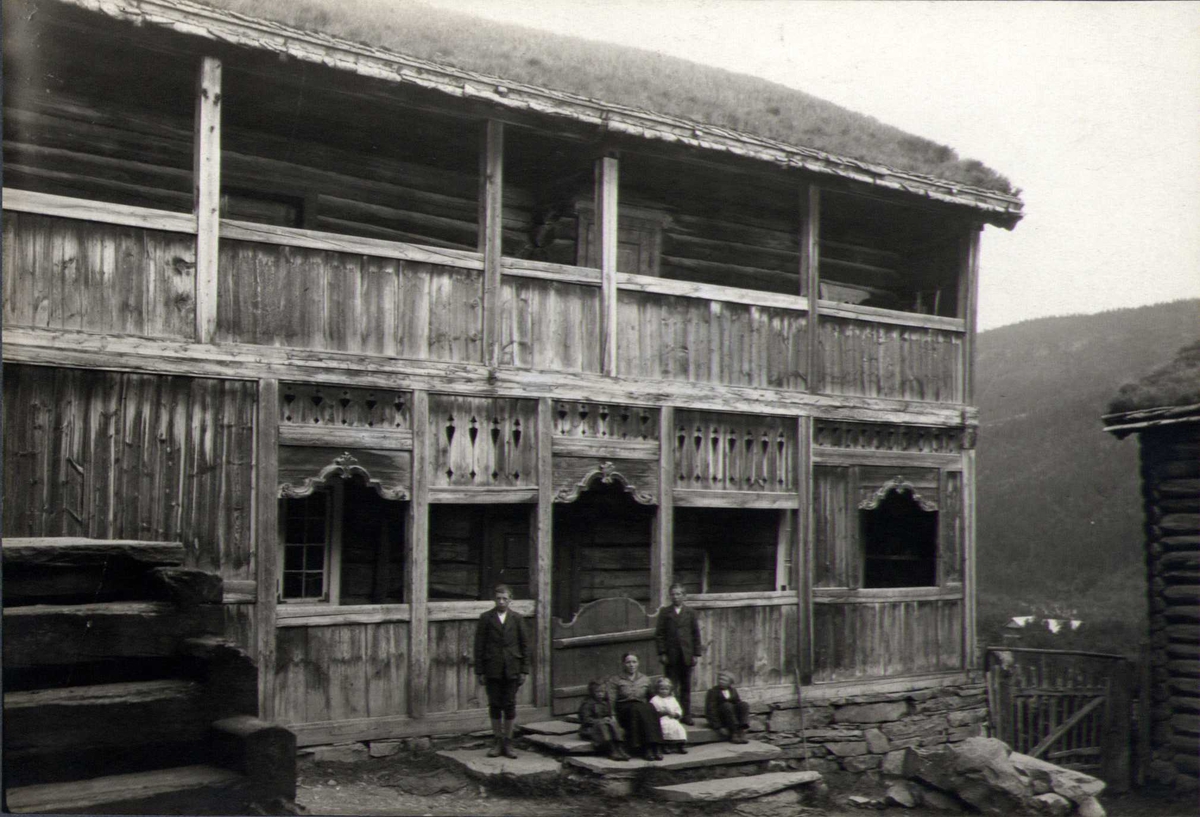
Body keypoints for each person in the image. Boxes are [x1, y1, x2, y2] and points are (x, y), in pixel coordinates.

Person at [473, 584, 529, 758]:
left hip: (512, 667)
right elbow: (479, 645)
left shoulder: (517, 618)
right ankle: (497, 741)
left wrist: (524, 670)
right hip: (493, 668)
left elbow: (525, 645)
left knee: (510, 703)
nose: (502, 601)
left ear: (511, 599)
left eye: (505, 598)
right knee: (495, 704)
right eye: (498, 598)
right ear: (494, 599)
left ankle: (509, 742)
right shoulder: (486, 618)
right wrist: (480, 671)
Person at [655, 583, 702, 725]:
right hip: (671, 655)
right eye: (673, 594)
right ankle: (671, 713)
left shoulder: (690, 613)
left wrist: (695, 654)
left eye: (679, 594)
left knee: (686, 686)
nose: (676, 597)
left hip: (686, 655)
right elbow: (660, 634)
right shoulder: (665, 612)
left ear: (684, 596)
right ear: (670, 596)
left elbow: (695, 634)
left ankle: (686, 714)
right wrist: (662, 652)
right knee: (670, 685)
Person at [606, 653, 666, 761]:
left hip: (641, 708)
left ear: (638, 663)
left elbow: (652, 697)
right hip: (624, 708)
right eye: (628, 662)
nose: (631, 665)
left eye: (634, 662)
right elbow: (611, 699)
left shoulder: (645, 679)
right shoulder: (615, 680)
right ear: (623, 664)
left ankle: (656, 747)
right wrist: (612, 714)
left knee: (651, 708)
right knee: (638, 708)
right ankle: (647, 748)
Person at [578, 680, 629, 761]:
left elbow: (610, 714)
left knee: (613, 722)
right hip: (590, 728)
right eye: (597, 692)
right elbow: (586, 720)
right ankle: (611, 749)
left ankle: (619, 748)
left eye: (602, 692)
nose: (600, 694)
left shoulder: (606, 702)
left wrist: (609, 719)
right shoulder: (588, 704)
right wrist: (601, 720)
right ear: (592, 692)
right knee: (602, 725)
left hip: (606, 724)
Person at [705, 670, 750, 744]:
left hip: (731, 717)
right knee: (727, 705)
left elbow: (737, 703)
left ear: (730, 682)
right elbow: (710, 710)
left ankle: (741, 731)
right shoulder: (713, 691)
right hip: (721, 718)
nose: (721, 681)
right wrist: (719, 727)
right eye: (720, 679)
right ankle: (734, 733)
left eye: (724, 680)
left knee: (744, 704)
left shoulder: (733, 691)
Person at [649, 677, 689, 754]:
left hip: (672, 719)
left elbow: (678, 709)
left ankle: (680, 745)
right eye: (662, 689)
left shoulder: (672, 699)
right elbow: (652, 711)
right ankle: (666, 746)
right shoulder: (655, 699)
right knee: (664, 728)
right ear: (657, 689)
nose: (664, 691)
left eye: (666, 689)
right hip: (661, 719)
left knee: (679, 729)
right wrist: (662, 712)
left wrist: (675, 714)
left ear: (670, 690)